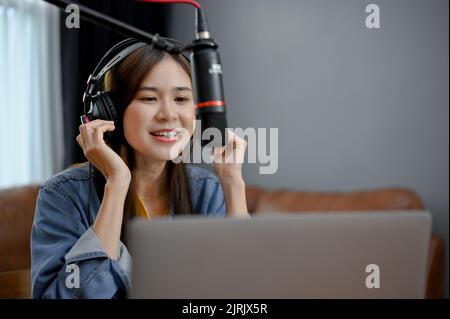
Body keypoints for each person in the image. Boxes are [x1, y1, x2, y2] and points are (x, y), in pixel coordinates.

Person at [31, 39, 249, 299]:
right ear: (110, 111)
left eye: (181, 98)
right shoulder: (62, 195)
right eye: (149, 98)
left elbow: (244, 290)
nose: (168, 114)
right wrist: (117, 184)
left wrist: (233, 182)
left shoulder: (208, 190)